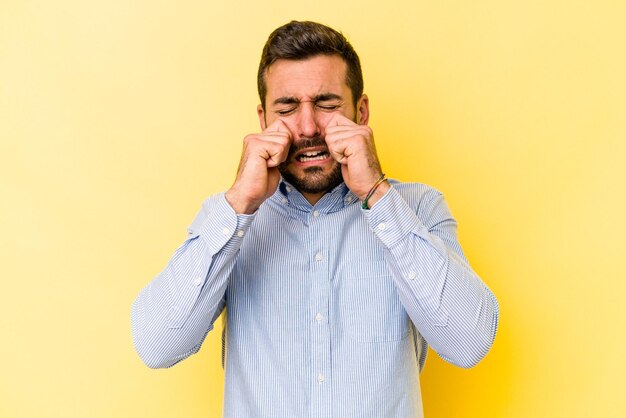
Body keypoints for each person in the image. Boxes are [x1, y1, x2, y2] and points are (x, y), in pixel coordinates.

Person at [131, 20, 499, 417]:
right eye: (287, 108)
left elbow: (469, 343)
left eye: (326, 104)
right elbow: (157, 345)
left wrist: (376, 192)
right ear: (263, 120)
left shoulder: (419, 208)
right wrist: (238, 204)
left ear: (361, 111)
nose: (308, 128)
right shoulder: (227, 219)